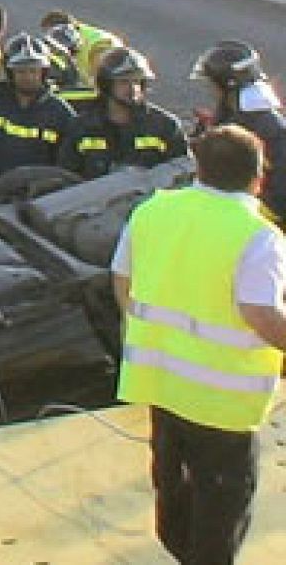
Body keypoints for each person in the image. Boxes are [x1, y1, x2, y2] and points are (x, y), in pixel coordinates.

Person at [113, 125, 286, 565]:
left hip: (161, 384)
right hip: (223, 402)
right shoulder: (257, 234)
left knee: (174, 492)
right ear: (258, 176)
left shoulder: (154, 210)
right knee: (221, 509)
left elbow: (122, 282)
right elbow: (261, 313)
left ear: (199, 167)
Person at [0, 32, 76, 193]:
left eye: (33, 71)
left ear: (44, 73)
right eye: (21, 71)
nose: (28, 77)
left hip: (39, 204)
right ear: (9, 72)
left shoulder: (60, 113)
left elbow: (68, 169)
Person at [191, 41, 286, 223]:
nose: (210, 90)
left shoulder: (272, 131)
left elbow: (279, 196)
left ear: (227, 85)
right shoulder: (225, 118)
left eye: (212, 83)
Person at [59, 46, 189, 179]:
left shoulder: (166, 126)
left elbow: (182, 173)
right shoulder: (81, 127)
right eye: (124, 82)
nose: (133, 89)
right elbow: (67, 178)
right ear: (106, 85)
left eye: (137, 81)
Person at [39, 10, 122, 94]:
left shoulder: (99, 45)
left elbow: (105, 82)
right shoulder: (74, 42)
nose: (52, 44)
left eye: (54, 36)